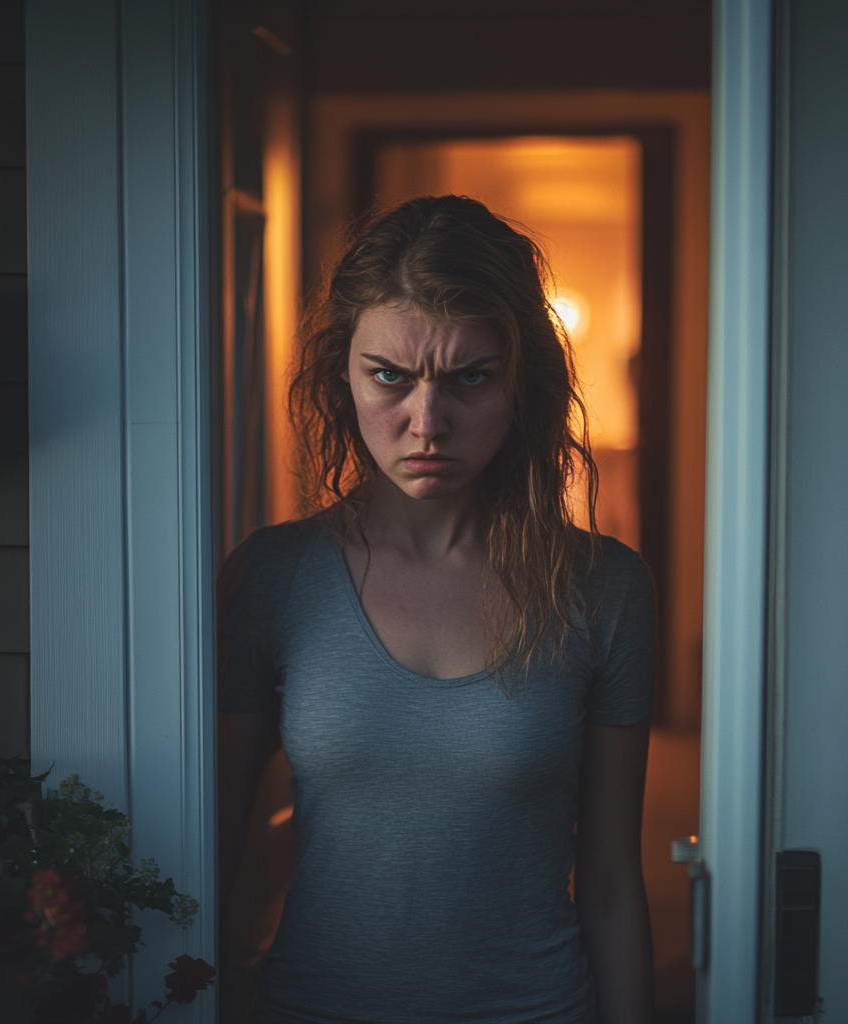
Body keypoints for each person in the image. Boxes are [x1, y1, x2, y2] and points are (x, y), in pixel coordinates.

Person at [217, 195, 656, 1024]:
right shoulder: (272, 577)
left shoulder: (606, 588)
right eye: (390, 376)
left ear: (521, 381)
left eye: (468, 378)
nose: (428, 423)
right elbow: (212, 854)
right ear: (338, 374)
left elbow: (609, 884)